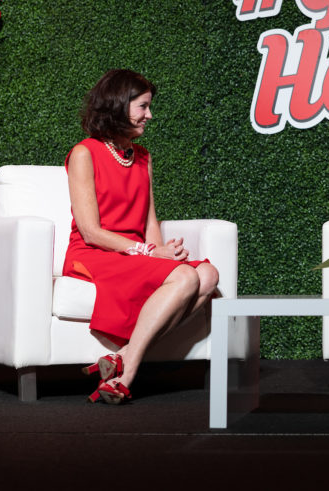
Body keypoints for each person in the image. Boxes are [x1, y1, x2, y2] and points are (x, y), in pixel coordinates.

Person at [64, 69, 220, 404]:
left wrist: (163, 249)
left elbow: (150, 221)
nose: (149, 115)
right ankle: (129, 370)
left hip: (134, 253)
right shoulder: (84, 153)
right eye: (143, 106)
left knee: (207, 274)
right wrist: (148, 252)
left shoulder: (143, 156)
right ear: (119, 105)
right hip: (94, 253)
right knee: (185, 277)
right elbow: (91, 231)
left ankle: (123, 354)